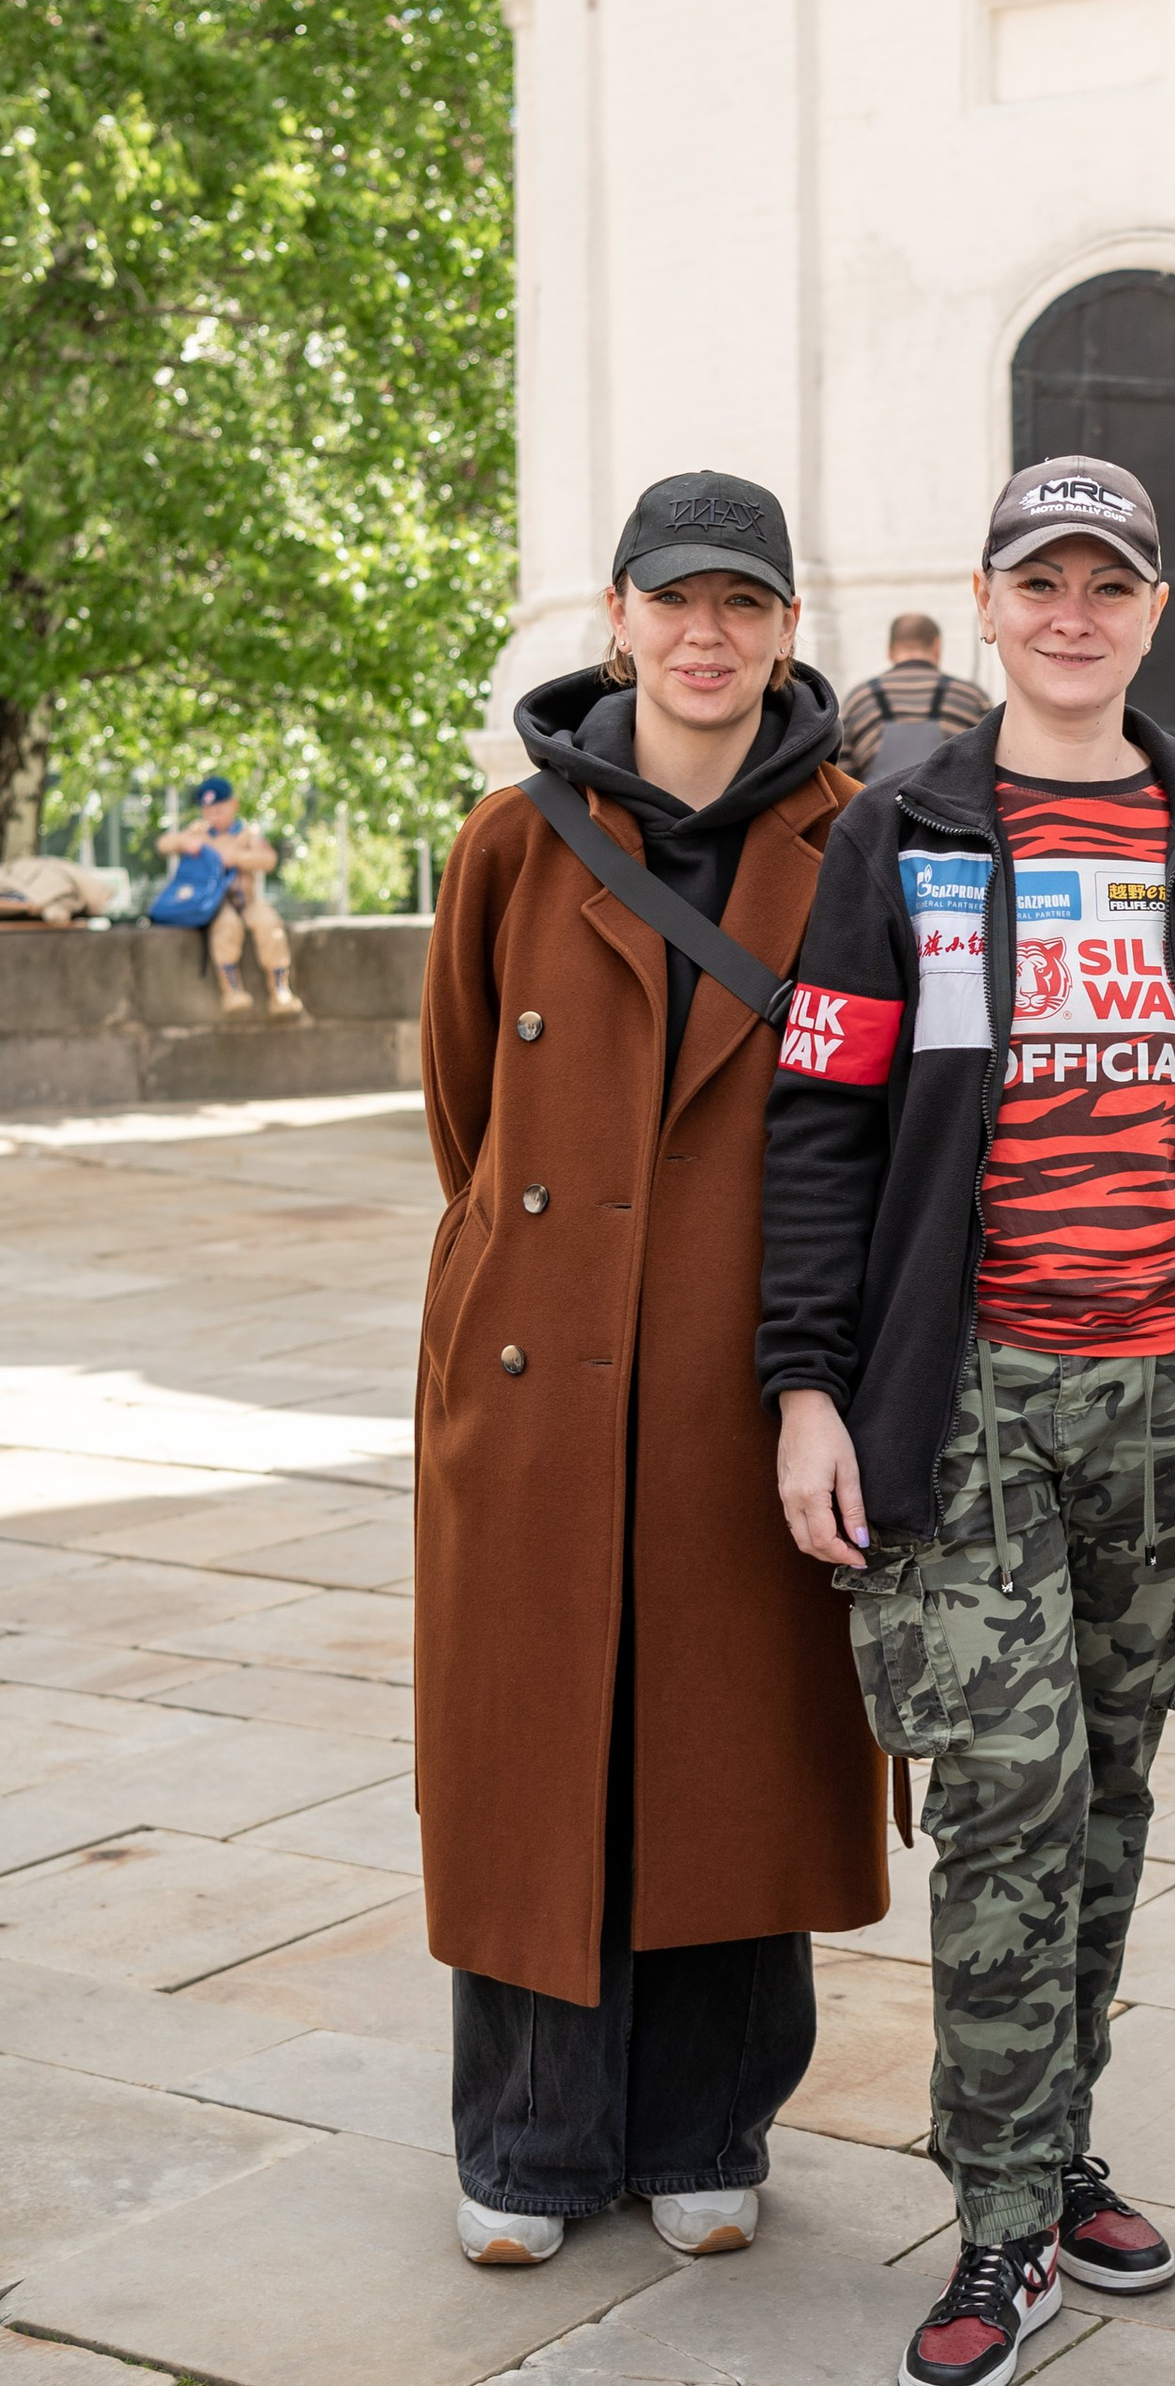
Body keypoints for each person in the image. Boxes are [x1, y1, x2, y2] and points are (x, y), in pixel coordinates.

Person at [762, 454, 1175, 2386]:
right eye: (1040, 580)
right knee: (1003, 1790)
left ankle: (1056, 2128)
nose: (1073, 611)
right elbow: (820, 1122)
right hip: (973, 1388)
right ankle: (998, 2209)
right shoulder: (900, 829)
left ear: (1153, 610)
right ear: (985, 604)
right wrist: (806, 1389)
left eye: (1109, 581)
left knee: (1107, 1789)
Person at [416, 468, 886, 2267]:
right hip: (539, 1373)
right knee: (540, 1754)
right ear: (617, 616)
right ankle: (529, 2139)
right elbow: (472, 1117)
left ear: (786, 629)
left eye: (744, 604)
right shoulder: (509, 843)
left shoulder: (856, 842)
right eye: (674, 599)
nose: (707, 634)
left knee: (728, 1750)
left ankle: (708, 2122)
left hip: (747, 1378)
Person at [153, 778, 302, 1015]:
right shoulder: (199, 832)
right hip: (218, 903)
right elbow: (163, 844)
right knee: (226, 928)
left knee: (269, 925)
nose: (214, 816)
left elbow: (269, 860)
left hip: (247, 899)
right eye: (209, 811)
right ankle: (232, 990)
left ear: (233, 805)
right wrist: (184, 842)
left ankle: (280, 989)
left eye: (219, 810)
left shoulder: (247, 834)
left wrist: (239, 858)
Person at [837, 610, 992, 790]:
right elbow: (993, 768)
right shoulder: (971, 697)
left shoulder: (860, 700)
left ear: (890, 650)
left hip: (875, 815)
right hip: (954, 815)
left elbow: (841, 778)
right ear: (937, 646)